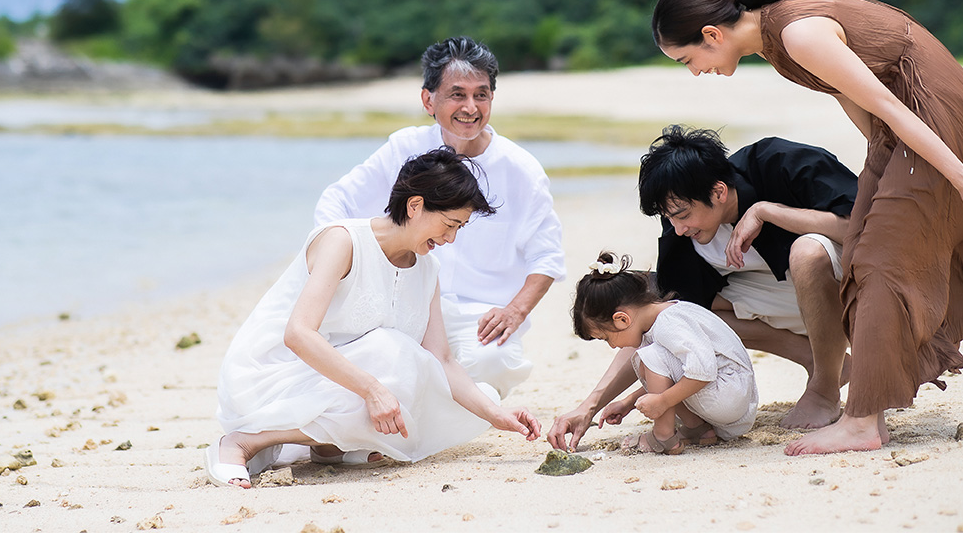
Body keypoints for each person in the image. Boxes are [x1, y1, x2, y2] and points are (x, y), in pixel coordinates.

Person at [650, 0, 963, 456]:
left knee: (880, 261)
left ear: (711, 34)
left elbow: (889, 103)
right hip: (899, 133)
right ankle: (868, 413)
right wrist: (880, 168)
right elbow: (854, 101)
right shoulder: (777, 42)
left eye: (688, 60)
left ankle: (862, 422)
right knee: (864, 253)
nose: (694, 72)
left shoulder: (797, 34)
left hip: (929, 118)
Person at [208, 148, 541, 489]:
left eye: (460, 228)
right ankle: (242, 442)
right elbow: (298, 334)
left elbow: (441, 359)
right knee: (394, 355)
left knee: (415, 372)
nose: (451, 238)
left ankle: (328, 446)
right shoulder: (343, 241)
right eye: (449, 224)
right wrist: (372, 390)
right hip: (271, 374)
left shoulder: (427, 268)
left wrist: (497, 415)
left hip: (331, 381)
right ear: (415, 206)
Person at [314, 36, 564, 398]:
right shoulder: (404, 149)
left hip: (480, 318)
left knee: (491, 365)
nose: (470, 107)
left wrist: (514, 311)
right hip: (402, 306)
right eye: (457, 94)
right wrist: (341, 268)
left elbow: (547, 256)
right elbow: (337, 202)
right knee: (375, 368)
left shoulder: (521, 169)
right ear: (428, 100)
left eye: (481, 95)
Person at [640, 125, 857, 429]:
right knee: (690, 312)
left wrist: (767, 211)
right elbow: (656, 318)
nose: (678, 228)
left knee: (807, 253)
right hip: (802, 307)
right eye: (669, 217)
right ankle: (824, 362)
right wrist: (594, 404)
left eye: (683, 215)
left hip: (857, 294)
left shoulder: (779, 162)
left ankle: (824, 391)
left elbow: (864, 229)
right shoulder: (682, 229)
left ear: (719, 192)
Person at [570, 252, 758, 455]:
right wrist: (629, 402)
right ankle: (697, 428)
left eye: (606, 338)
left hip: (727, 396)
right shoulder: (665, 317)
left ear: (622, 319)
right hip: (730, 396)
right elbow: (672, 375)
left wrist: (663, 401)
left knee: (650, 357)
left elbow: (702, 371)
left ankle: (663, 436)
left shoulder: (669, 324)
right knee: (651, 359)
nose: (612, 346)